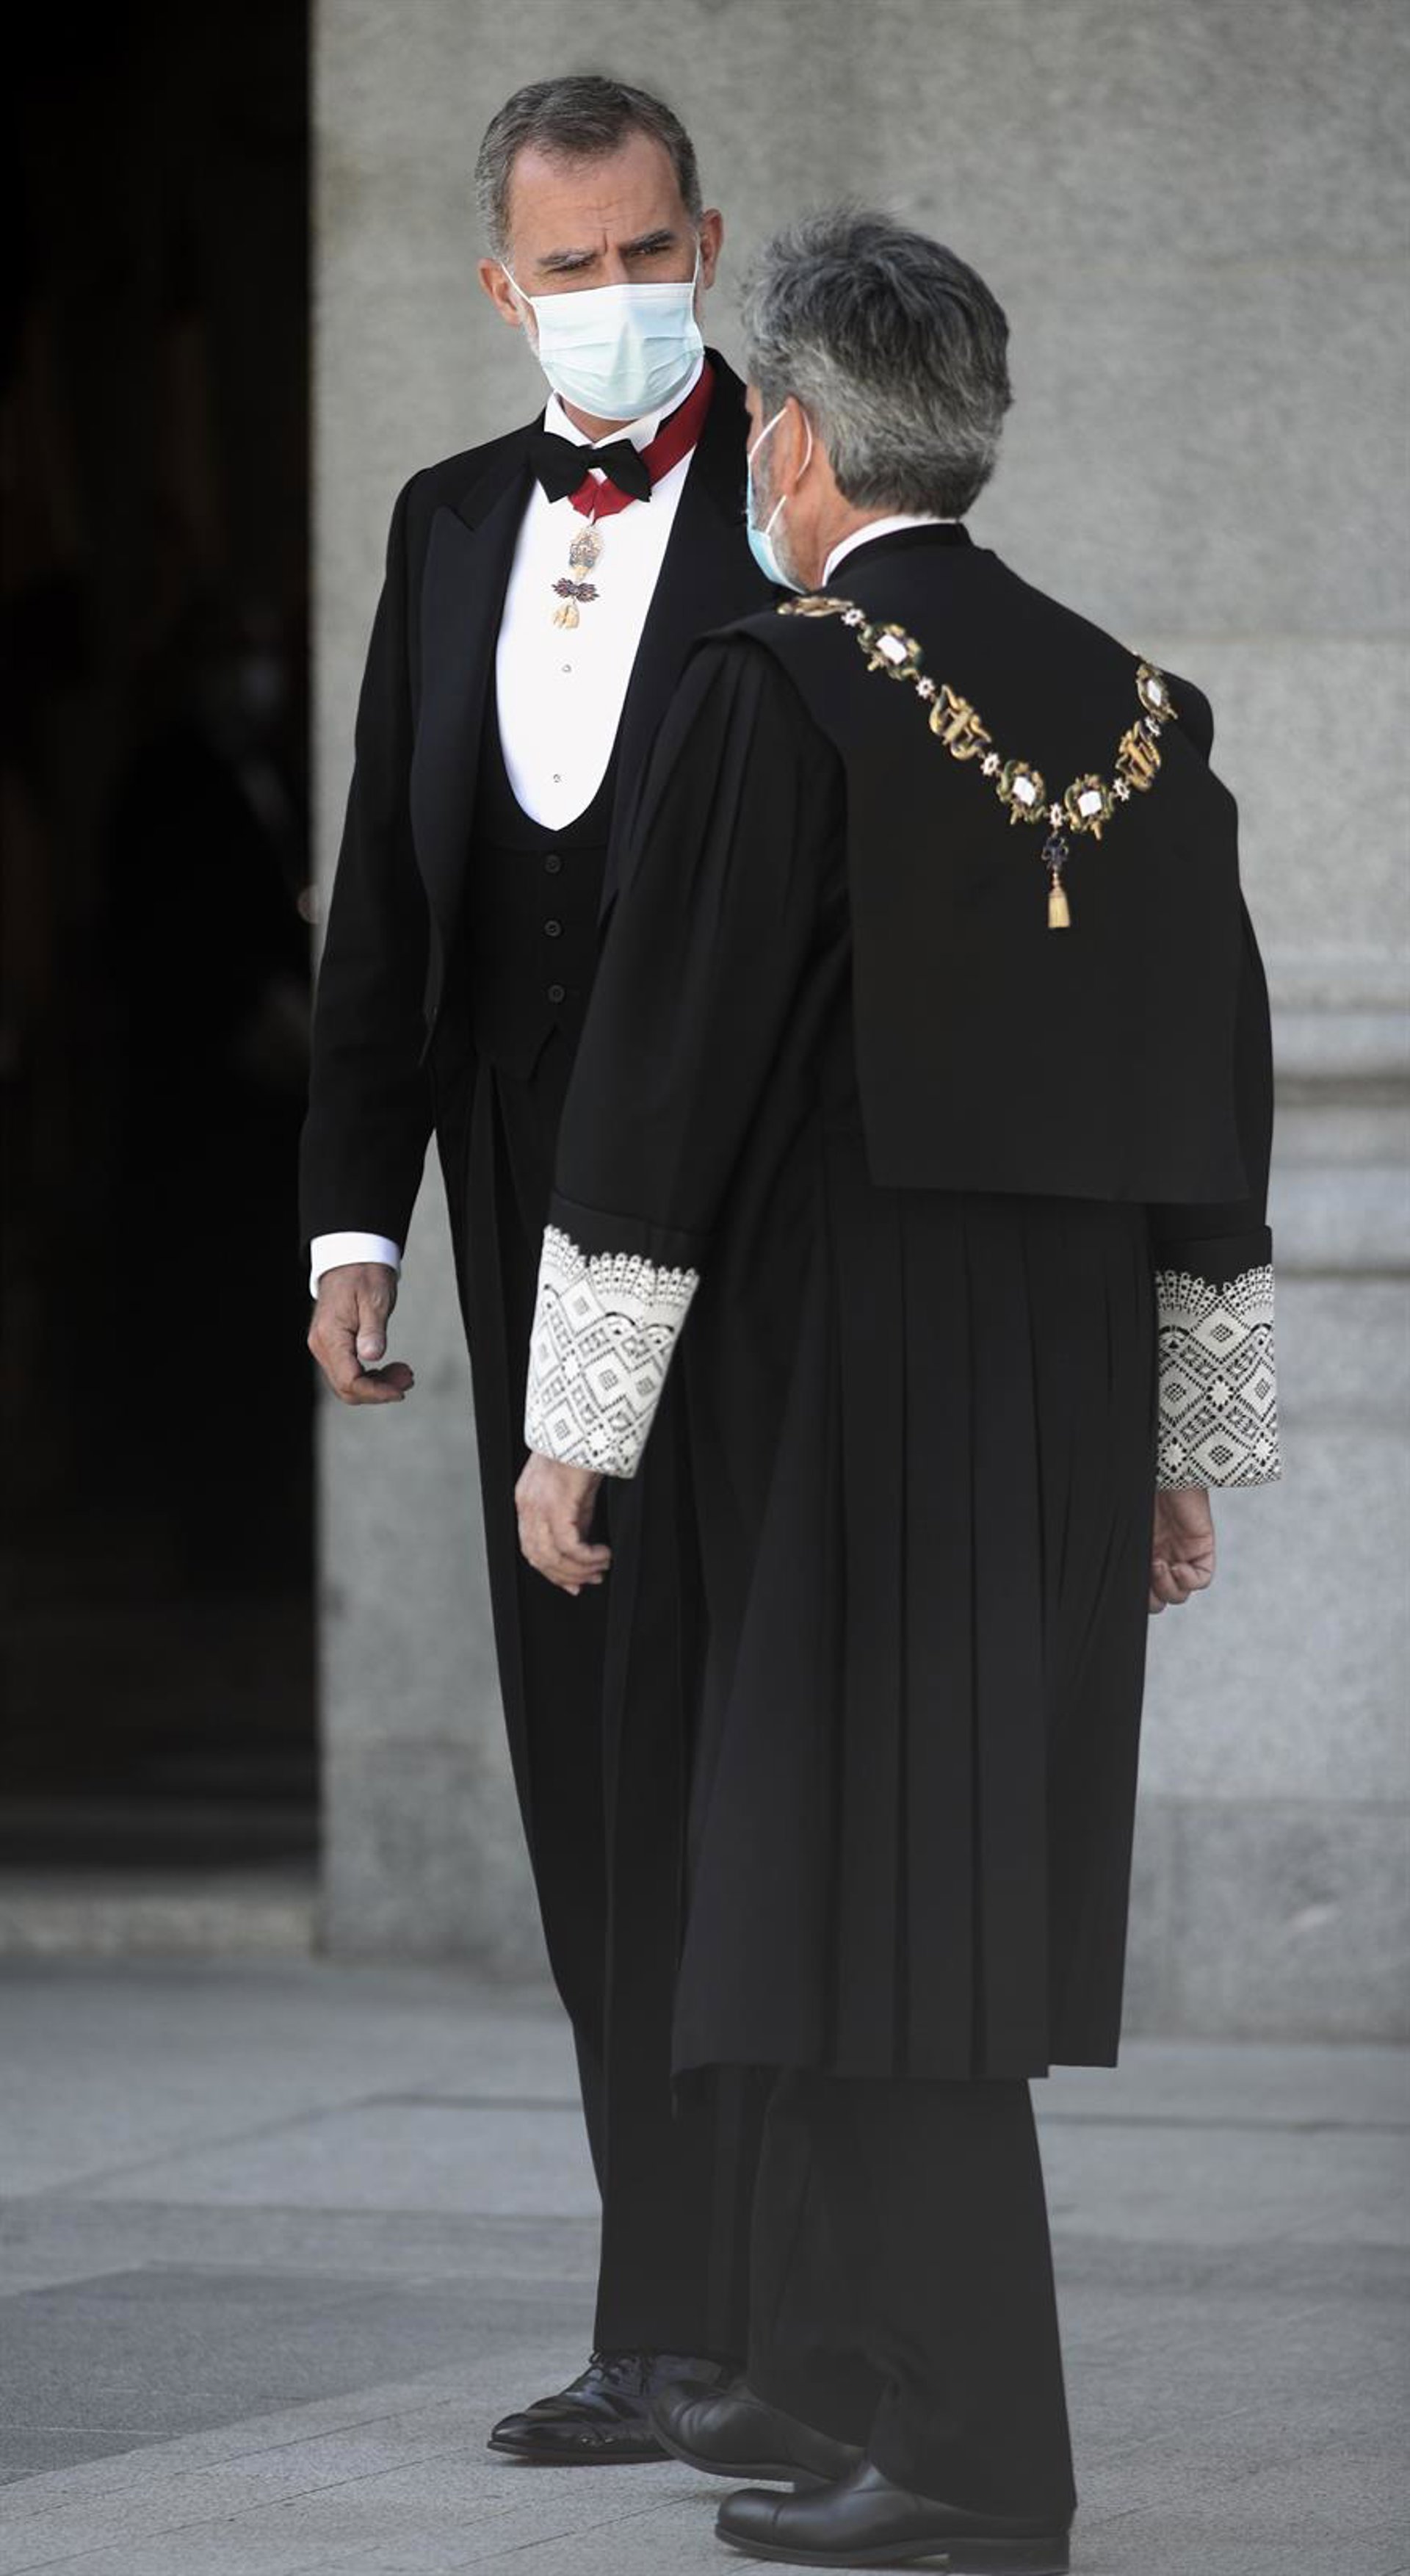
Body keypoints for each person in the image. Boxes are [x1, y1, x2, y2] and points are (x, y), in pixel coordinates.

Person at [516, 209, 1281, 2570]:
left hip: (827, 1398)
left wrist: (578, 1413)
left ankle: (973, 2463)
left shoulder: (781, 689)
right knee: (851, 1900)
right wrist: (1183, 1446)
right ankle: (843, 2373)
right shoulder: (1146, 713)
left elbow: (660, 1077)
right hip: (1050, 1399)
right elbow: (1214, 1097)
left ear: (797, 440)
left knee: (873, 1917)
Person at [299, 76, 773, 2462]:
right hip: (512, 1208)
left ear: (710, 244)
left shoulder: (802, 493)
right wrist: (354, 1214)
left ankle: (791, 2317)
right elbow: (388, 895)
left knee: (742, 1763)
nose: (612, 301)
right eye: (566, 269)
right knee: (584, 1759)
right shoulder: (448, 514)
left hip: (761, 1235)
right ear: (502, 287)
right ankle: (656, 2318)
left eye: (644, 255)